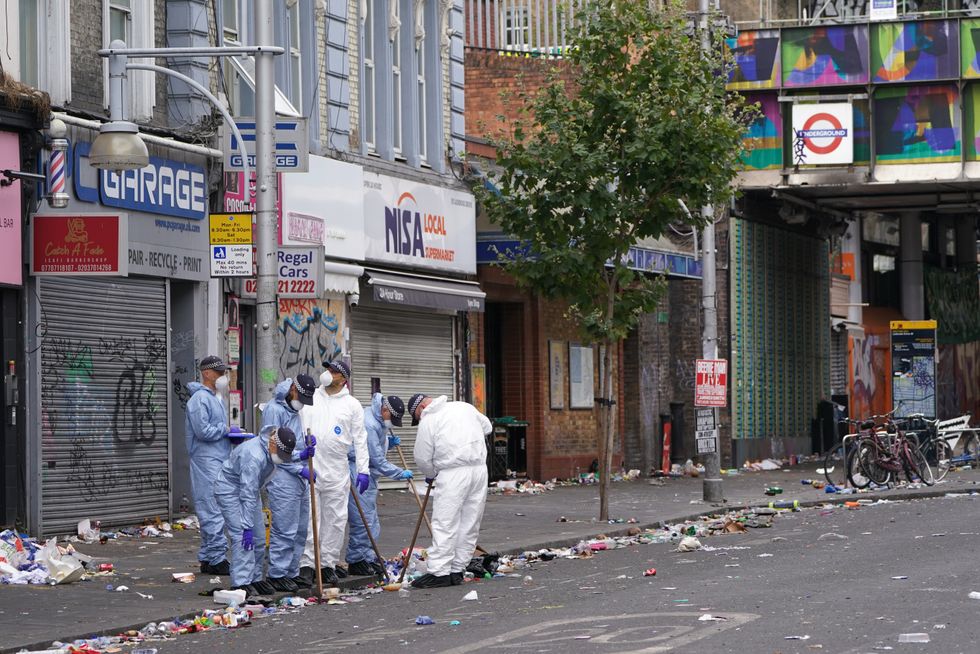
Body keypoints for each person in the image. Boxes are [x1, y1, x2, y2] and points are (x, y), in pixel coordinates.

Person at [408, 393, 492, 589]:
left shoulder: (429, 420)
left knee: (445, 521)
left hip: (452, 471)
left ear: (420, 409)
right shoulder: (464, 407)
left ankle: (439, 572)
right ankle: (457, 569)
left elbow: (422, 456)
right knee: (469, 521)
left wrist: (430, 473)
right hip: (479, 469)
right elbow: (487, 426)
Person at [297, 360, 369, 587]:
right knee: (310, 517)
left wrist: (363, 469)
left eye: (335, 372)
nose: (329, 374)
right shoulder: (312, 398)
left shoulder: (352, 405)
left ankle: (327, 563)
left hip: (338, 468)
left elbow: (360, 438)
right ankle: (307, 564)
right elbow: (298, 422)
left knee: (336, 519)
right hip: (313, 464)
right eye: (328, 369)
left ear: (344, 378)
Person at [214, 425, 304, 597]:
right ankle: (240, 582)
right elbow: (246, 494)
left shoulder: (271, 448)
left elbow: (285, 455)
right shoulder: (253, 456)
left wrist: (302, 455)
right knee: (242, 537)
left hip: (249, 490)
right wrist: (247, 526)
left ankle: (254, 579)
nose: (281, 458)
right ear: (272, 444)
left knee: (260, 538)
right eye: (280, 453)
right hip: (230, 491)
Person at [261, 374, 317, 592]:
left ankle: (291, 572)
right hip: (282, 477)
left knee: (300, 529)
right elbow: (273, 450)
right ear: (293, 389)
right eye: (301, 396)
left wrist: (305, 443)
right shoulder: (274, 410)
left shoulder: (295, 410)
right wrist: (299, 463)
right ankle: (277, 573)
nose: (302, 402)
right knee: (284, 529)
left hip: (297, 478)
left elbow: (292, 442)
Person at [345, 393, 412, 577]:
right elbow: (376, 459)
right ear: (384, 410)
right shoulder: (369, 424)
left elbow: (373, 448)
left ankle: (367, 557)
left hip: (369, 472)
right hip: (360, 472)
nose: (393, 423)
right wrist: (400, 473)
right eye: (393, 418)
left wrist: (388, 443)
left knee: (372, 520)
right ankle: (356, 560)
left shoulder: (378, 421)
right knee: (363, 519)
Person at [185, 355, 232, 576]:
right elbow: (202, 431)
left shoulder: (215, 398)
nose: (223, 376)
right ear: (206, 373)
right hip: (206, 460)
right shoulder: (199, 400)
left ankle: (207, 556)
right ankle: (217, 558)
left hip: (217, 457)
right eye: (219, 372)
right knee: (212, 508)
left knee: (213, 507)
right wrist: (225, 430)